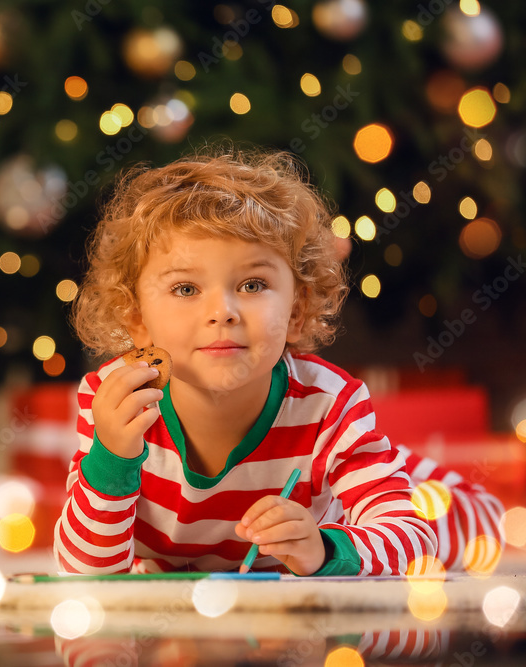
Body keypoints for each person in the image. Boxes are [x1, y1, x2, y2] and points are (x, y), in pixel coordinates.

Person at [55, 146, 506, 576]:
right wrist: (112, 458)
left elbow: (410, 538)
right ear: (137, 320)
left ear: (295, 311)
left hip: (350, 497)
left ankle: (421, 480)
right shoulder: (114, 400)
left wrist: (325, 546)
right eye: (186, 289)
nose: (222, 312)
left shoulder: (329, 406)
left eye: (252, 285)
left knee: (474, 521)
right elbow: (83, 571)